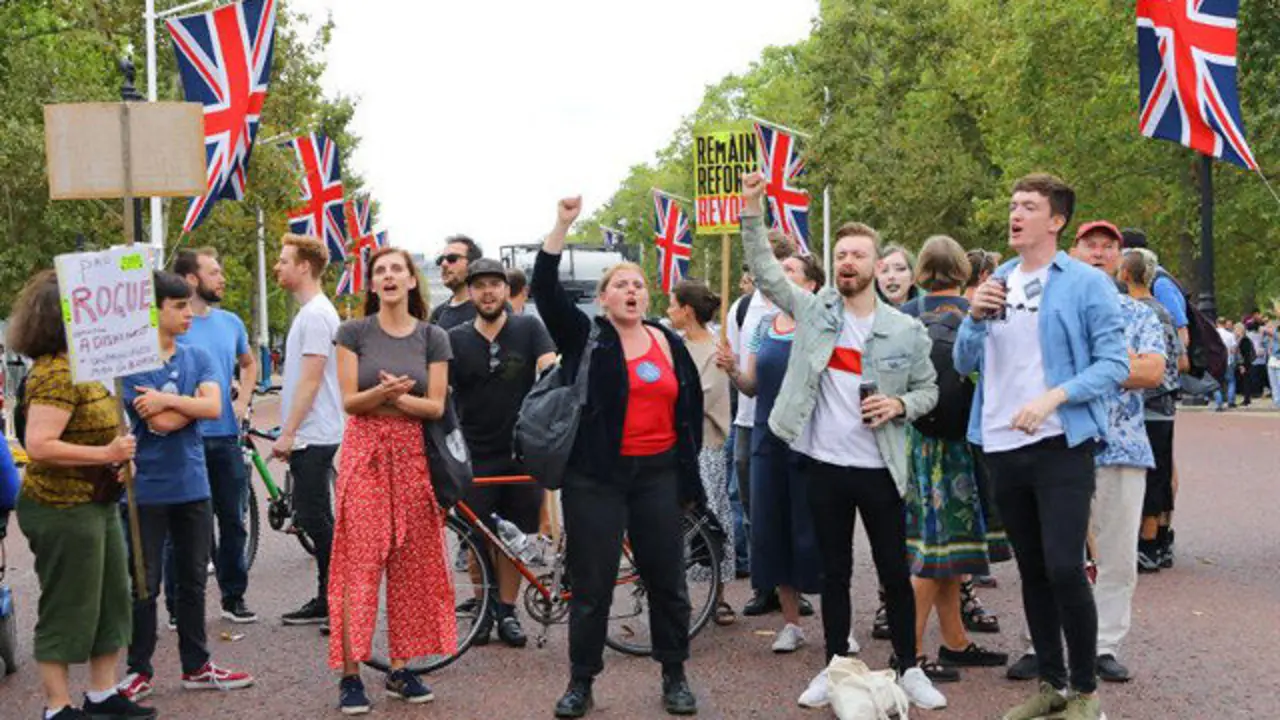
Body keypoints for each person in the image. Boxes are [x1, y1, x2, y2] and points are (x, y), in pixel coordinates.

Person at [738, 172, 946, 711]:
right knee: (833, 573)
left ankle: (908, 666)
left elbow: (929, 391)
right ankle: (834, 667)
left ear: (877, 265)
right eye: (841, 255)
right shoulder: (813, 309)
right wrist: (751, 208)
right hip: (822, 464)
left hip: (881, 467)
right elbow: (764, 270)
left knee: (894, 573)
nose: (848, 262)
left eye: (858, 254)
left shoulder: (905, 329)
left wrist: (900, 405)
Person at [956, 174, 1128, 720]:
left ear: (1055, 222)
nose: (1016, 213)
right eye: (1012, 204)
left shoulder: (1084, 283)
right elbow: (963, 364)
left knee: (1063, 567)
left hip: (1061, 443)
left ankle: (1085, 692)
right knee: (1030, 570)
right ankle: (1051, 683)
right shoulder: (997, 280)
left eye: (1028, 206)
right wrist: (974, 318)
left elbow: (1114, 364)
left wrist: (1055, 396)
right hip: (1001, 444)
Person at [532, 197, 704, 718]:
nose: (631, 291)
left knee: (667, 582)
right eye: (620, 285)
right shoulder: (587, 336)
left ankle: (674, 673)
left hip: (657, 477)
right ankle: (581, 682)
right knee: (592, 587)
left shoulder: (667, 340)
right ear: (604, 299)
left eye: (638, 285)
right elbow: (543, 290)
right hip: (597, 480)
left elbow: (689, 410)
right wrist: (562, 224)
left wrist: (685, 475)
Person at [7, 271, 156, 720]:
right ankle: (57, 705)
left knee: (112, 596)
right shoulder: (55, 372)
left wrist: (116, 455)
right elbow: (39, 445)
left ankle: (102, 692)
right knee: (70, 603)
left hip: (96, 501)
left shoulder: (89, 366)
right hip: (61, 506)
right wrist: (105, 451)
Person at [117, 271, 255, 701]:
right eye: (178, 306)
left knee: (193, 579)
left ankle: (196, 665)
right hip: (146, 491)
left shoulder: (197, 356)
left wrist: (168, 400)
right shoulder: (130, 363)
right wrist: (184, 407)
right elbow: (156, 422)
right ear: (153, 311)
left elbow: (215, 407)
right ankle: (139, 669)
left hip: (192, 483)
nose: (188, 313)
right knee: (145, 583)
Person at [330, 247, 457, 713]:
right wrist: (381, 394)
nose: (387, 276)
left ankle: (401, 668)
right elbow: (349, 401)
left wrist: (395, 400)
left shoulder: (433, 336)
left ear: (410, 281)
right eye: (379, 271)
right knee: (358, 567)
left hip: (411, 455)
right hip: (365, 452)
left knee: (409, 567)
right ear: (371, 285)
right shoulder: (352, 332)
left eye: (395, 270)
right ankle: (350, 674)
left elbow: (436, 406)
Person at [898, 236, 1007, 684]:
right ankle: (911, 653)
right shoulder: (973, 314)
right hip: (963, 442)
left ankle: (955, 640)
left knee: (942, 550)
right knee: (936, 552)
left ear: (921, 270)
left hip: (915, 439)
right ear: (964, 270)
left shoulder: (902, 316)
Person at [719, 252, 825, 655]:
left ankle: (838, 622)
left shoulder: (823, 325)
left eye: (791, 271)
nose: (782, 277)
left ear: (812, 284)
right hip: (767, 438)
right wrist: (731, 368)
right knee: (771, 527)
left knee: (817, 528)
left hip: (814, 439)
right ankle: (791, 623)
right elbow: (750, 386)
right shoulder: (763, 324)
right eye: (778, 271)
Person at [1072, 222, 1165, 682]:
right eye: (1090, 244)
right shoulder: (1059, 306)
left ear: (1120, 259)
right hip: (1062, 445)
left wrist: (1093, 368)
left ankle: (1103, 645)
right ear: (1072, 252)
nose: (1098, 252)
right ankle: (1044, 641)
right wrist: (1117, 365)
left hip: (1122, 446)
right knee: (1056, 554)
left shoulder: (1141, 313)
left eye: (1108, 247)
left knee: (1118, 555)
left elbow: (1153, 371)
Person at [449, 258, 557, 647]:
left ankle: (507, 612)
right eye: (480, 286)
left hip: (521, 453)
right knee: (476, 538)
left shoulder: (529, 328)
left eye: (496, 284)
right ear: (472, 292)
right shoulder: (455, 338)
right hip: (474, 453)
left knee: (516, 538)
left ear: (505, 291)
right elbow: (442, 393)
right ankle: (482, 612)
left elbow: (549, 367)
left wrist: (555, 381)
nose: (488, 292)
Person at [172, 248, 259, 624]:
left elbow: (248, 363)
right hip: (183, 438)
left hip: (225, 436)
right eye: (214, 272)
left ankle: (233, 597)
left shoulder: (231, 322)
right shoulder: (175, 323)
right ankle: (179, 606)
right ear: (192, 279)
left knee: (233, 519)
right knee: (186, 526)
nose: (222, 278)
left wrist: (243, 402)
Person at [272, 234, 346, 628]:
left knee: (318, 519)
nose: (277, 267)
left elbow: (311, 380)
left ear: (304, 266)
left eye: (284, 260)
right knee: (315, 517)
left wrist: (289, 432)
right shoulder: (312, 313)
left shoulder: (316, 315)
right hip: (312, 432)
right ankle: (328, 596)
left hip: (314, 434)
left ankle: (336, 600)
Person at [666, 279, 736, 626]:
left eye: (672, 305)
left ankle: (719, 596)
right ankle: (681, 597)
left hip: (705, 444)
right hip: (675, 444)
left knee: (711, 517)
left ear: (687, 311)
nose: (668, 312)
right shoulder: (672, 346)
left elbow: (702, 397)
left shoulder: (715, 351)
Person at [1123, 248, 1184, 575]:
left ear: (1124, 274)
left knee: (1146, 475)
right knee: (1161, 473)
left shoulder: (1136, 312)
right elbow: (1181, 359)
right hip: (1166, 402)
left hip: (1144, 402)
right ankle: (1160, 540)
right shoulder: (1164, 311)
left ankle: (1146, 546)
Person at [429, 234, 483, 328]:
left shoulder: (488, 309)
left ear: (472, 264)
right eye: (441, 259)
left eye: (452, 259)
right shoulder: (438, 314)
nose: (444, 264)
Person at [1214, 319, 1238, 411]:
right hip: (1228, 361)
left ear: (1217, 324)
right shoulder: (1230, 335)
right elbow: (1233, 350)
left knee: (1216, 383)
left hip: (1216, 362)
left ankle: (1219, 404)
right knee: (1231, 381)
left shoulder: (1212, 334)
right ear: (1225, 324)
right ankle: (1231, 401)